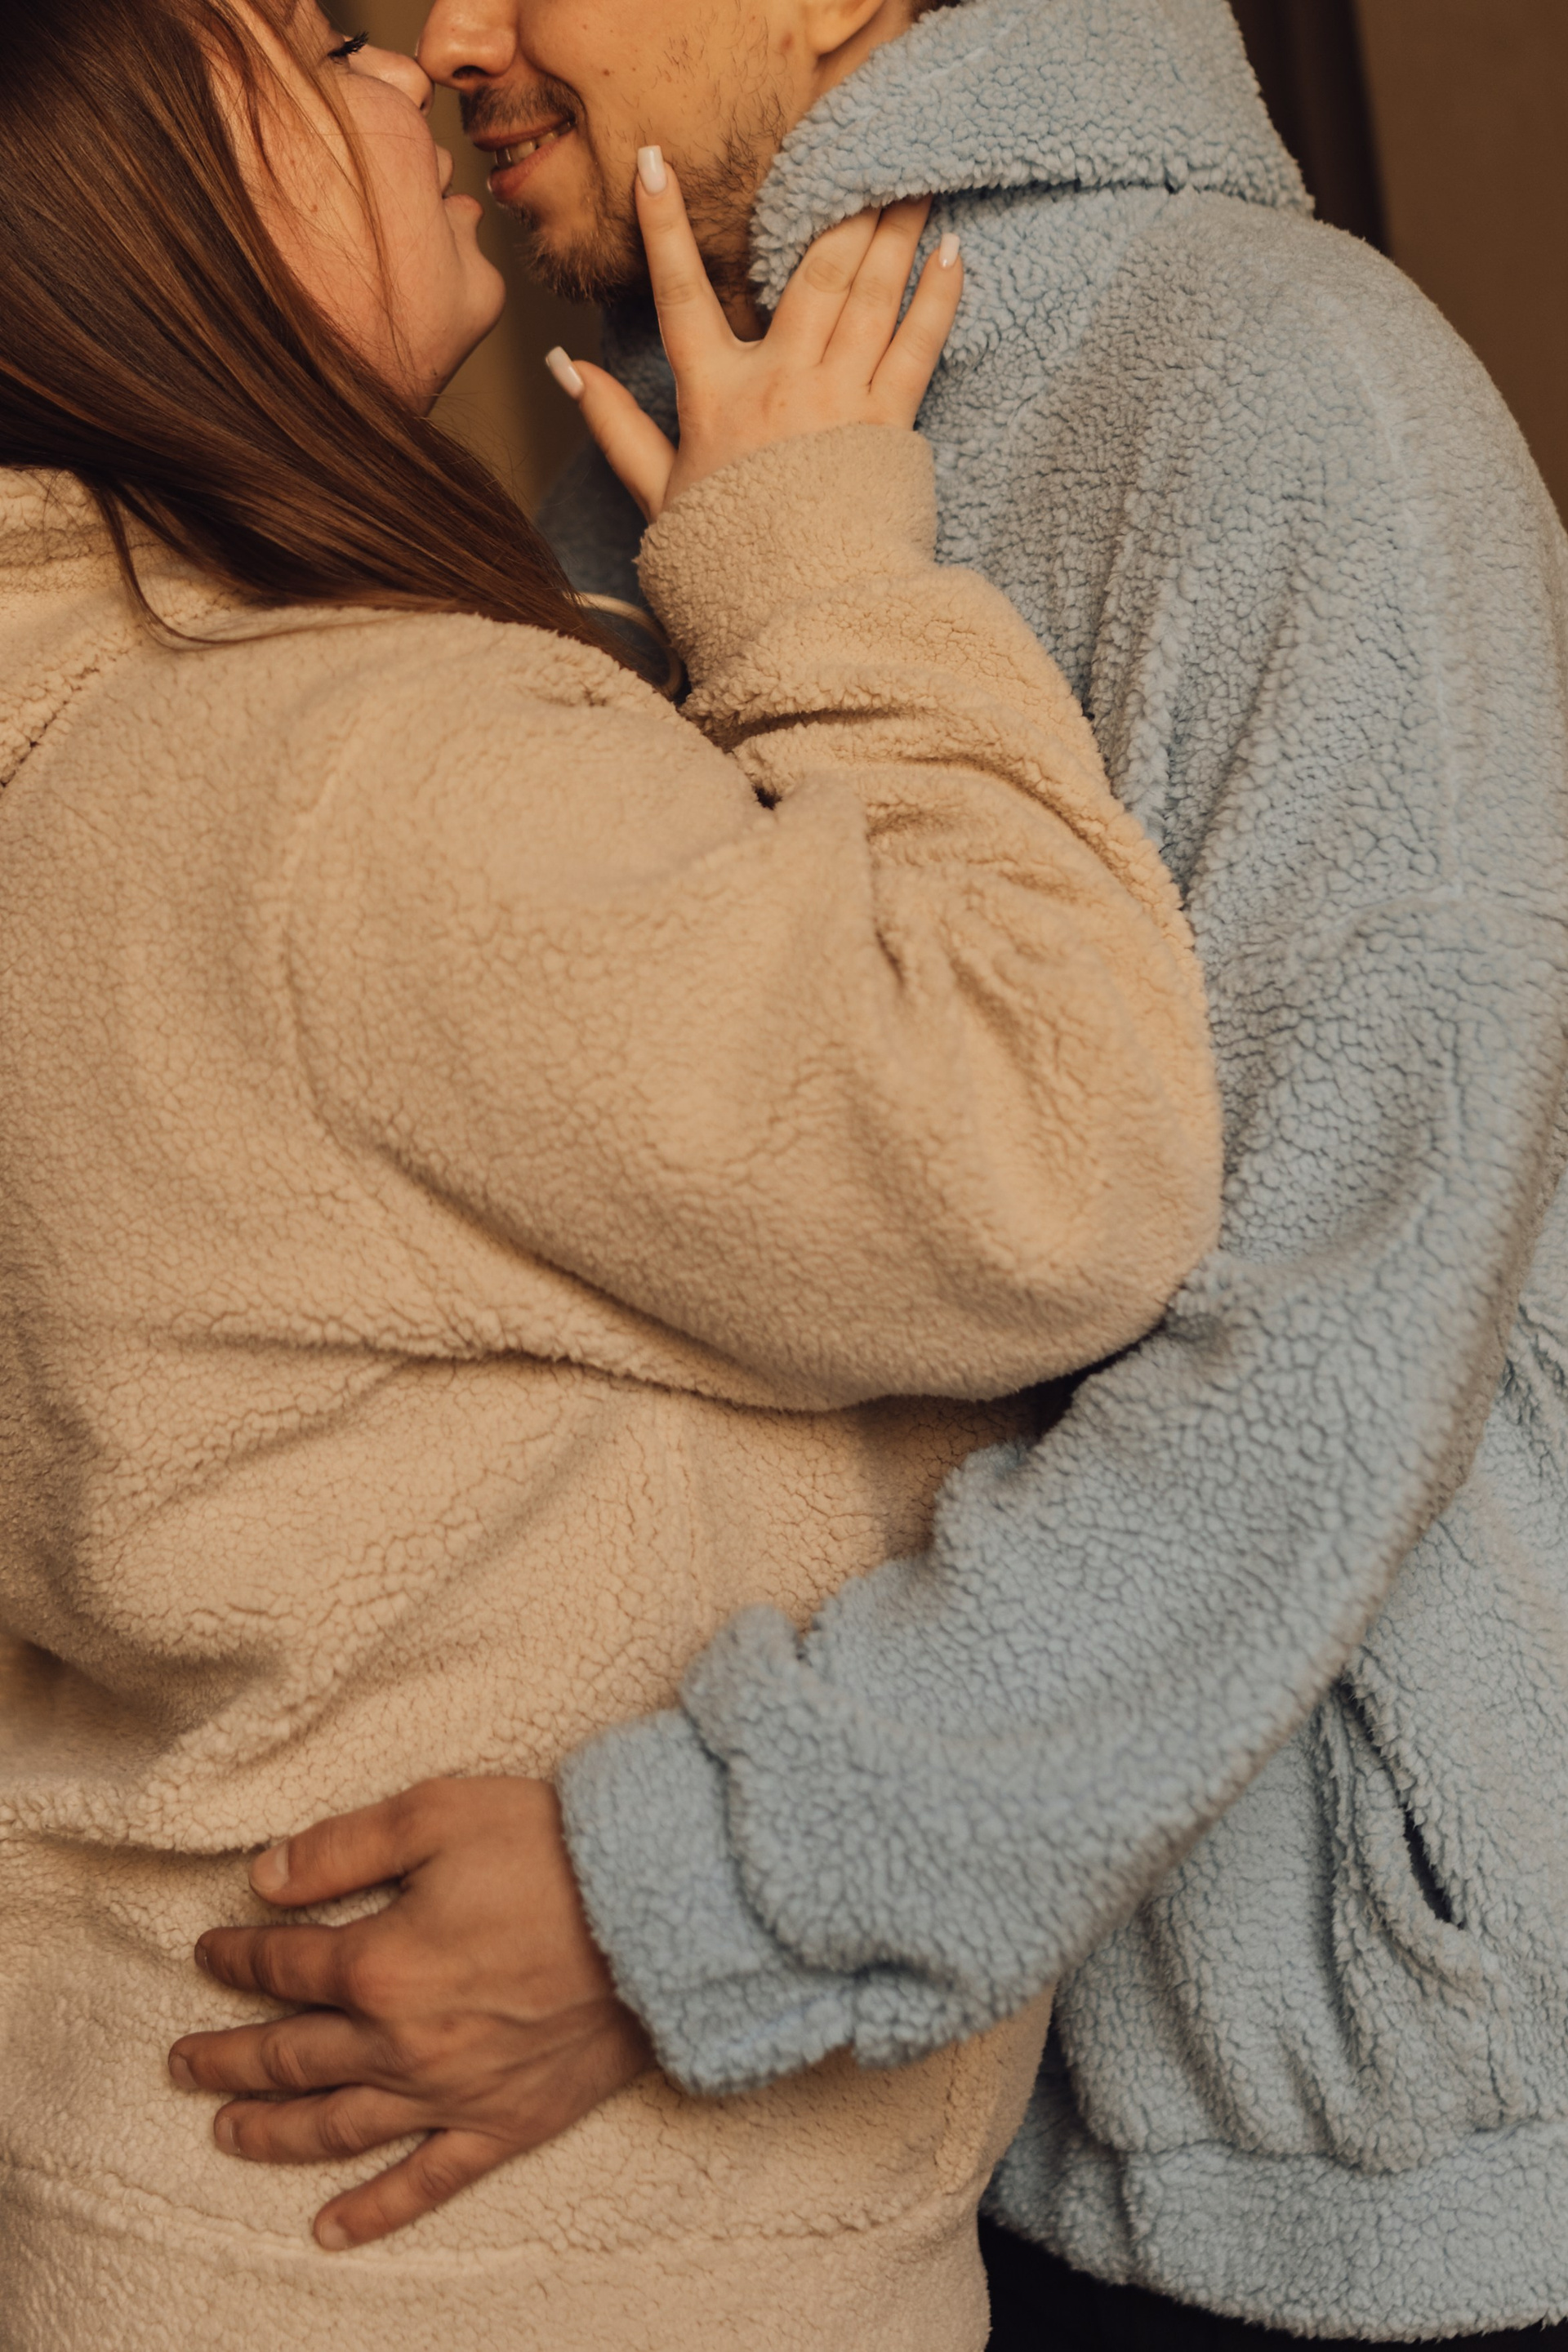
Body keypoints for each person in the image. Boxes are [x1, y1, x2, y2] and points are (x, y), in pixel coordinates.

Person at [191, 0, 1568, 2342]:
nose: (447, 39)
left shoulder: (1290, 389)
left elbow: (1331, 1343)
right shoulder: (636, 470)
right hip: (895, 2133)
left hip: (1350, 2156)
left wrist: (692, 1888)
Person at [0, 1, 1223, 2346]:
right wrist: (816, 575)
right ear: (135, 207)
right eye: (298, 48)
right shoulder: (350, 775)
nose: (407, 60)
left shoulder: (79, 730)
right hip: (501, 2255)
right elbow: (1058, 1158)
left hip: (161, 2159)